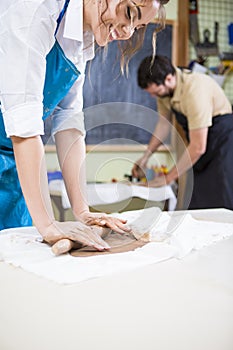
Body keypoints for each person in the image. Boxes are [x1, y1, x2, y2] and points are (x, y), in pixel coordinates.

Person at [0, 0, 170, 254]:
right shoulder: (36, 8)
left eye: (139, 26)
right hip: (16, 146)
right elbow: (25, 127)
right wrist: (47, 223)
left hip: (14, 167)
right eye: (129, 13)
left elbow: (69, 121)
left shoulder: (83, 37)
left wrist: (82, 211)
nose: (127, 32)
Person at [132, 55, 233, 210]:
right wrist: (146, 156)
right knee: (198, 206)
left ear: (169, 78)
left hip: (222, 146)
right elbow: (164, 125)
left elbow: (198, 147)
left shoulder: (195, 90)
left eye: (155, 92)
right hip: (201, 147)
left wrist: (168, 178)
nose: (153, 96)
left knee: (222, 205)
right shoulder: (165, 91)